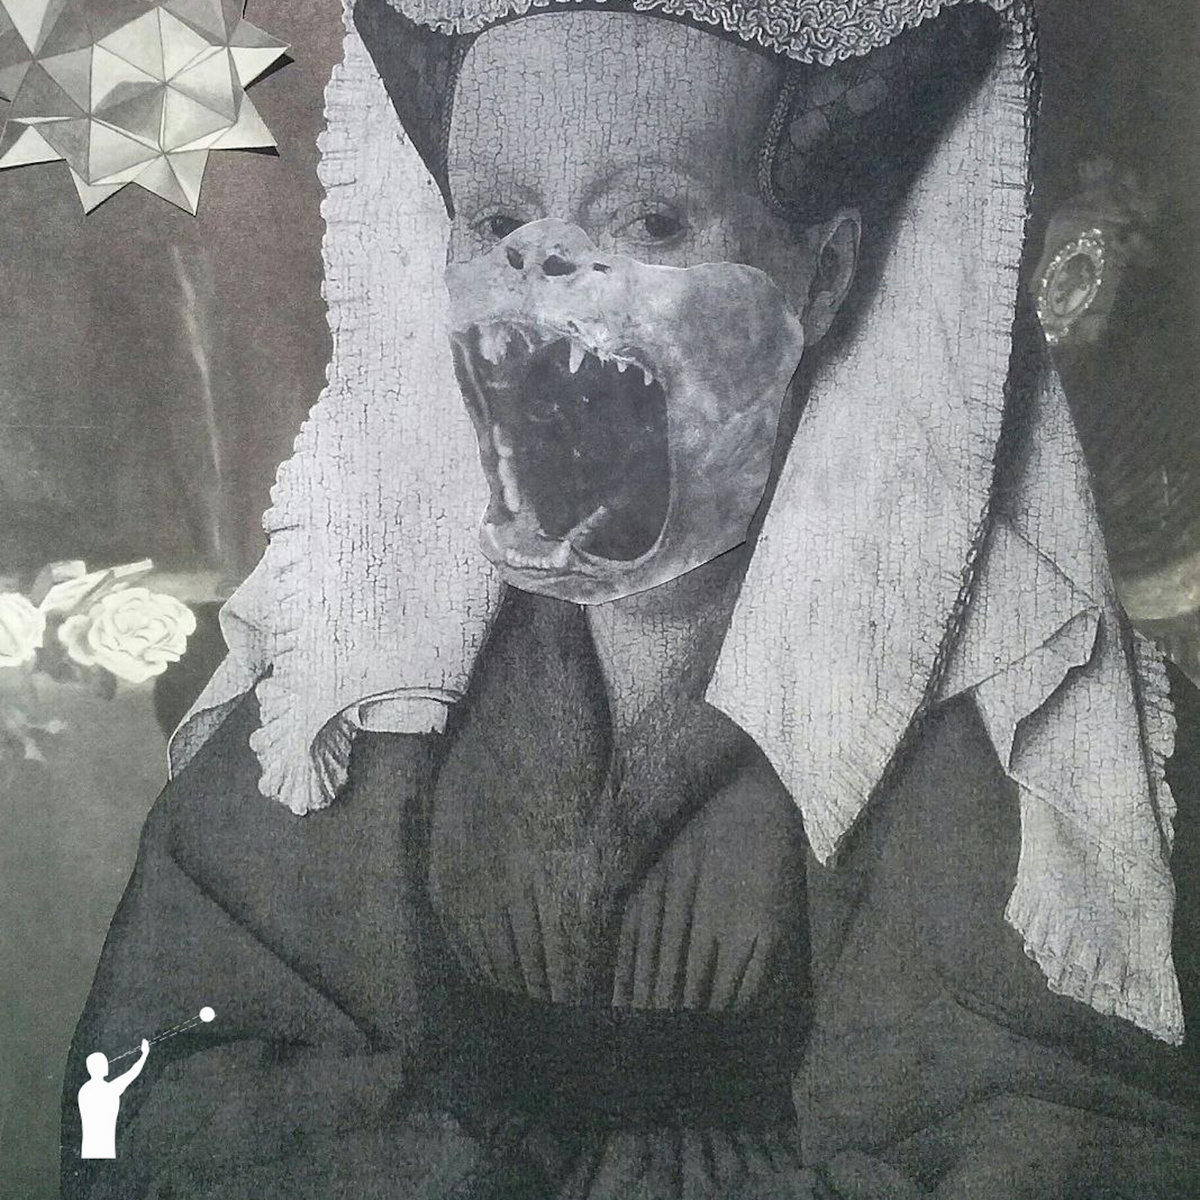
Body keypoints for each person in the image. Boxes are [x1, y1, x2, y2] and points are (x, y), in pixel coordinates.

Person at [62, 1, 1200, 1197]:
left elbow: (1036, 1141)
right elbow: (163, 1094)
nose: (542, 271)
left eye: (651, 220)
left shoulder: (1010, 719)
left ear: (824, 276)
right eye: (496, 221)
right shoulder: (358, 672)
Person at [77, 1041, 149, 1161]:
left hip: (89, 1150)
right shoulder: (106, 1089)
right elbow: (131, 1074)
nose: (107, 1065)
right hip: (105, 1151)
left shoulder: (85, 1090)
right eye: (103, 1063)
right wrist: (144, 1055)